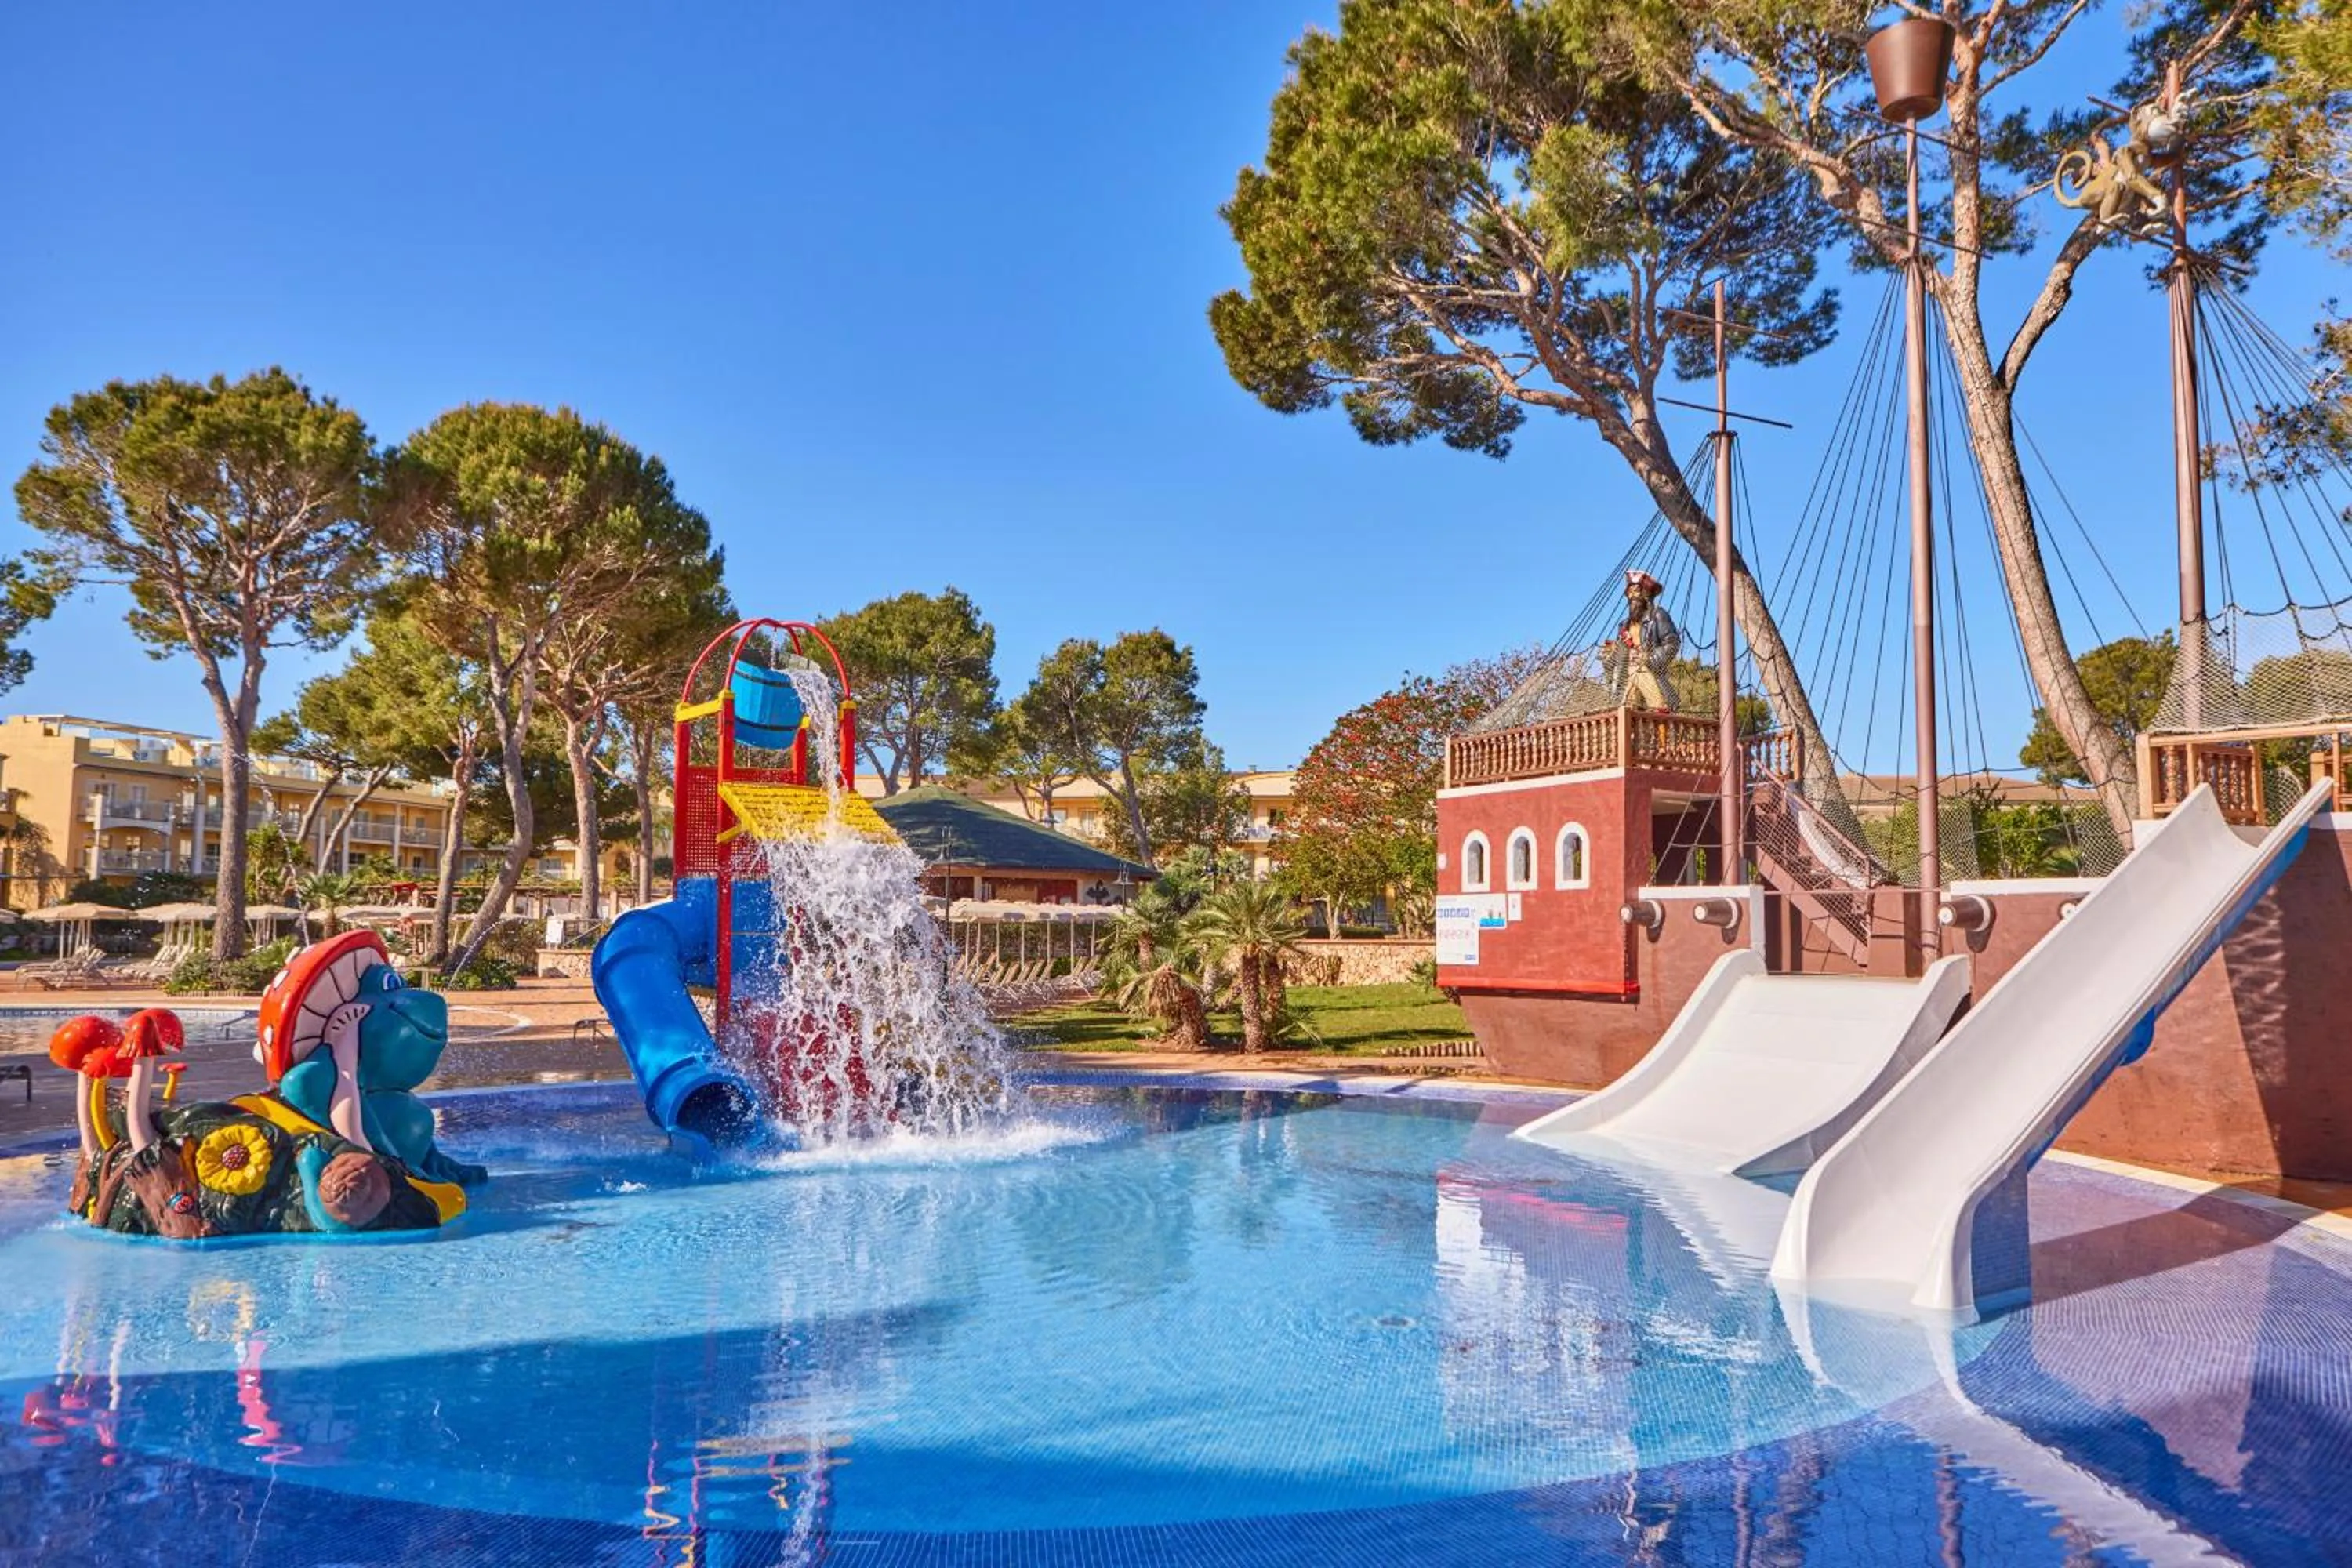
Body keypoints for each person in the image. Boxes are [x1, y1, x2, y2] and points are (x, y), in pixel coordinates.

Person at [1608, 569, 1682, 710]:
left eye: (1636, 591)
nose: (1632, 596)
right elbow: (1619, 654)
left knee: (1658, 708)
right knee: (1625, 708)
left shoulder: (1657, 616)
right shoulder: (1624, 625)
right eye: (1630, 592)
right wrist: (1612, 653)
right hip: (1628, 675)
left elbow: (1673, 643)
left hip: (1650, 671)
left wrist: (1651, 658)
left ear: (1646, 594)